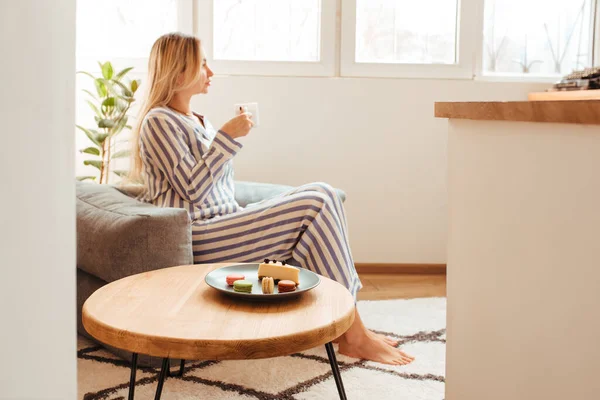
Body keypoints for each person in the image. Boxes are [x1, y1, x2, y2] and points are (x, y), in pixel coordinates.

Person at [129, 32, 414, 366]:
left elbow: (216, 188)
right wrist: (226, 137)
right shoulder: (159, 120)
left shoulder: (197, 121)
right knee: (319, 197)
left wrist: (224, 143)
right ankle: (353, 334)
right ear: (179, 72)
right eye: (202, 62)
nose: (210, 71)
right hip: (198, 235)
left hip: (223, 224)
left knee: (324, 198)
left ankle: (349, 327)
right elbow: (192, 188)